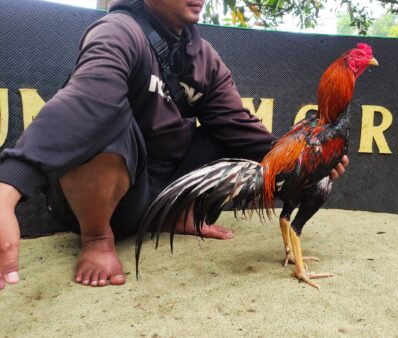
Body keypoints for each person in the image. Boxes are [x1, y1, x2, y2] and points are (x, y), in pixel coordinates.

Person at [0, 0, 348, 290]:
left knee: (223, 135)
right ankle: (96, 239)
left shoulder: (202, 56)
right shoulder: (118, 31)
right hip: (108, 197)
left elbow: (239, 128)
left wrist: (306, 159)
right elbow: (85, 100)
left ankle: (174, 213)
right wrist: (9, 186)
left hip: (163, 185)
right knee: (105, 117)